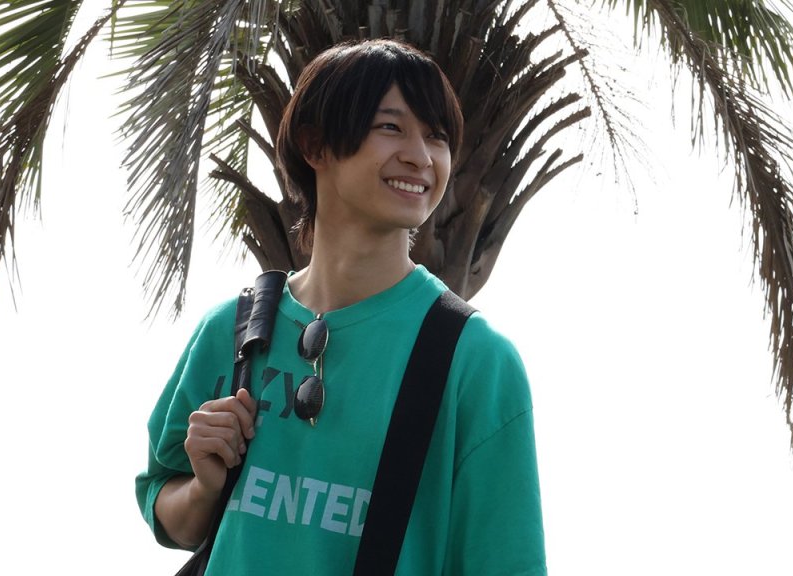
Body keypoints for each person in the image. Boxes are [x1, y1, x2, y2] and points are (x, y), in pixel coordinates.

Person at [136, 38, 547, 575]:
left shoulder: (475, 361)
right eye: (391, 127)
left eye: (437, 136)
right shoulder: (233, 331)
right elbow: (167, 511)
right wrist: (204, 487)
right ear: (315, 145)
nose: (421, 157)